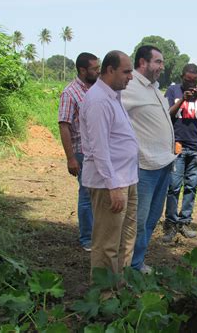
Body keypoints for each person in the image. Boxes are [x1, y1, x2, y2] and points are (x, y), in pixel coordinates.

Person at [79, 50, 138, 274]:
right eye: (126, 71)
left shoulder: (113, 96)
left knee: (126, 240)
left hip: (127, 179)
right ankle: (104, 297)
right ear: (110, 70)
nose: (130, 77)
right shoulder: (98, 101)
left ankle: (119, 289)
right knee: (107, 245)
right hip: (110, 184)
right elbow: (99, 148)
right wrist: (113, 186)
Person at [121, 45, 176, 274]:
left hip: (163, 164)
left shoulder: (154, 88)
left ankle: (138, 261)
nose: (162, 67)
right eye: (158, 62)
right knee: (138, 220)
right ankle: (128, 266)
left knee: (152, 218)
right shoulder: (129, 87)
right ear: (143, 62)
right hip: (143, 166)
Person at [162, 64, 197, 242]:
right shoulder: (173, 91)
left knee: (191, 187)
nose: (190, 84)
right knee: (173, 186)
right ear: (181, 76)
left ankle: (185, 221)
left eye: (194, 80)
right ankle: (171, 223)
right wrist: (182, 99)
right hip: (178, 145)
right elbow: (167, 115)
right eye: (187, 80)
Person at [58, 52, 100, 251]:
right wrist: (70, 158)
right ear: (83, 70)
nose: (98, 71)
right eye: (94, 68)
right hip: (81, 151)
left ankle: (96, 234)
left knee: (97, 194)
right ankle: (87, 239)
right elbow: (64, 125)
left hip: (97, 151)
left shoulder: (97, 89)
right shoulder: (70, 93)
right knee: (86, 194)